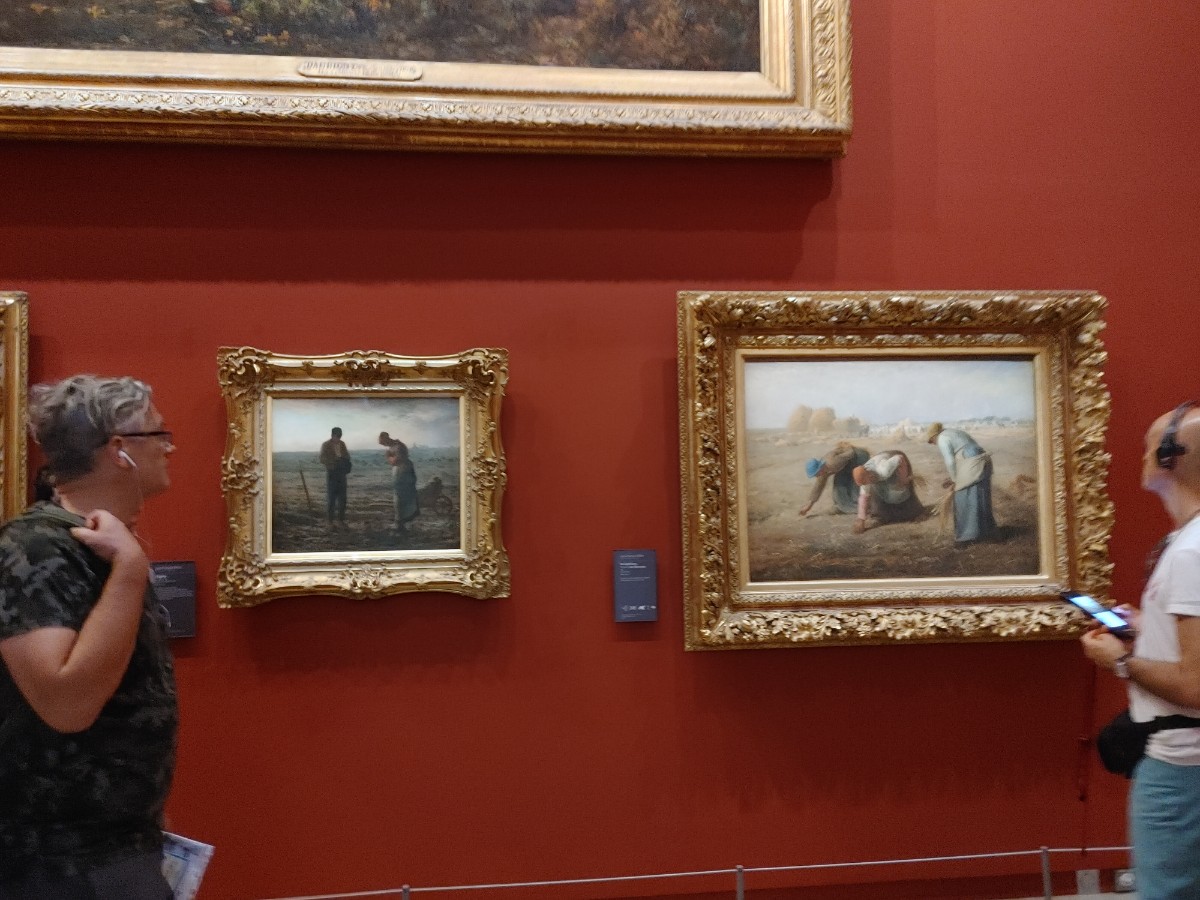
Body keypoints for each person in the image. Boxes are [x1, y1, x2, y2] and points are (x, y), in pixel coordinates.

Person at [0, 375, 178, 899]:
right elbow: (67, 703)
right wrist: (130, 569)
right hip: (57, 864)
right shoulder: (34, 548)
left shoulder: (96, 545)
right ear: (119, 450)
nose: (170, 447)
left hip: (114, 848)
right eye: (158, 433)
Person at [1082, 402, 1200, 899]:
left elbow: (1195, 686)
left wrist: (1119, 660)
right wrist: (1148, 626)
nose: (1142, 455)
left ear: (1174, 455)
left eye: (1150, 445)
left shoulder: (1192, 552)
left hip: (1182, 767)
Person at [926, 422, 996, 543]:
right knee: (980, 496)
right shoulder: (953, 432)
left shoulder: (942, 438)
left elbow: (950, 462)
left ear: (934, 436)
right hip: (980, 462)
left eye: (932, 441)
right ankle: (986, 532)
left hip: (971, 462)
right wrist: (953, 478)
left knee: (963, 497)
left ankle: (968, 536)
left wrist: (954, 480)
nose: (933, 444)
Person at [850, 450, 927, 534]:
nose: (865, 484)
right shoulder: (865, 479)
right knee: (878, 492)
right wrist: (861, 519)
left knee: (900, 492)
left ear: (869, 475)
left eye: (865, 482)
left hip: (896, 462)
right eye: (864, 483)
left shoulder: (883, 470)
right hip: (881, 469)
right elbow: (863, 497)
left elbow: (899, 458)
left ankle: (917, 512)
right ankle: (881, 516)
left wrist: (903, 478)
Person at [798, 441, 870, 517]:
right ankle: (842, 507)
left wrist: (856, 471)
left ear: (819, 468)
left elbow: (850, 453)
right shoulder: (823, 470)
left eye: (816, 474)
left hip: (859, 457)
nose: (816, 476)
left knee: (856, 482)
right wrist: (809, 506)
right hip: (846, 464)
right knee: (838, 485)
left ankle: (862, 507)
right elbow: (818, 486)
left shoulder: (832, 462)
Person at [378, 431, 419, 532]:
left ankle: (400, 523)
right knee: (402, 497)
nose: (383, 445)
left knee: (400, 498)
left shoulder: (397, 446)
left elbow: (396, 461)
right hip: (403, 473)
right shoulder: (396, 446)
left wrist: (388, 457)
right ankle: (401, 522)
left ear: (386, 438)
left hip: (403, 474)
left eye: (383, 443)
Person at [318, 426, 352, 529]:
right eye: (337, 436)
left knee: (343, 498)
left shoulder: (342, 444)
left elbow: (347, 456)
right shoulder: (326, 445)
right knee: (331, 498)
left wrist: (343, 460)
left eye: (340, 436)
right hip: (332, 473)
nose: (338, 438)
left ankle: (341, 521)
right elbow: (322, 458)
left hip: (341, 473)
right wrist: (334, 462)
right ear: (332, 435)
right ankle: (330, 521)